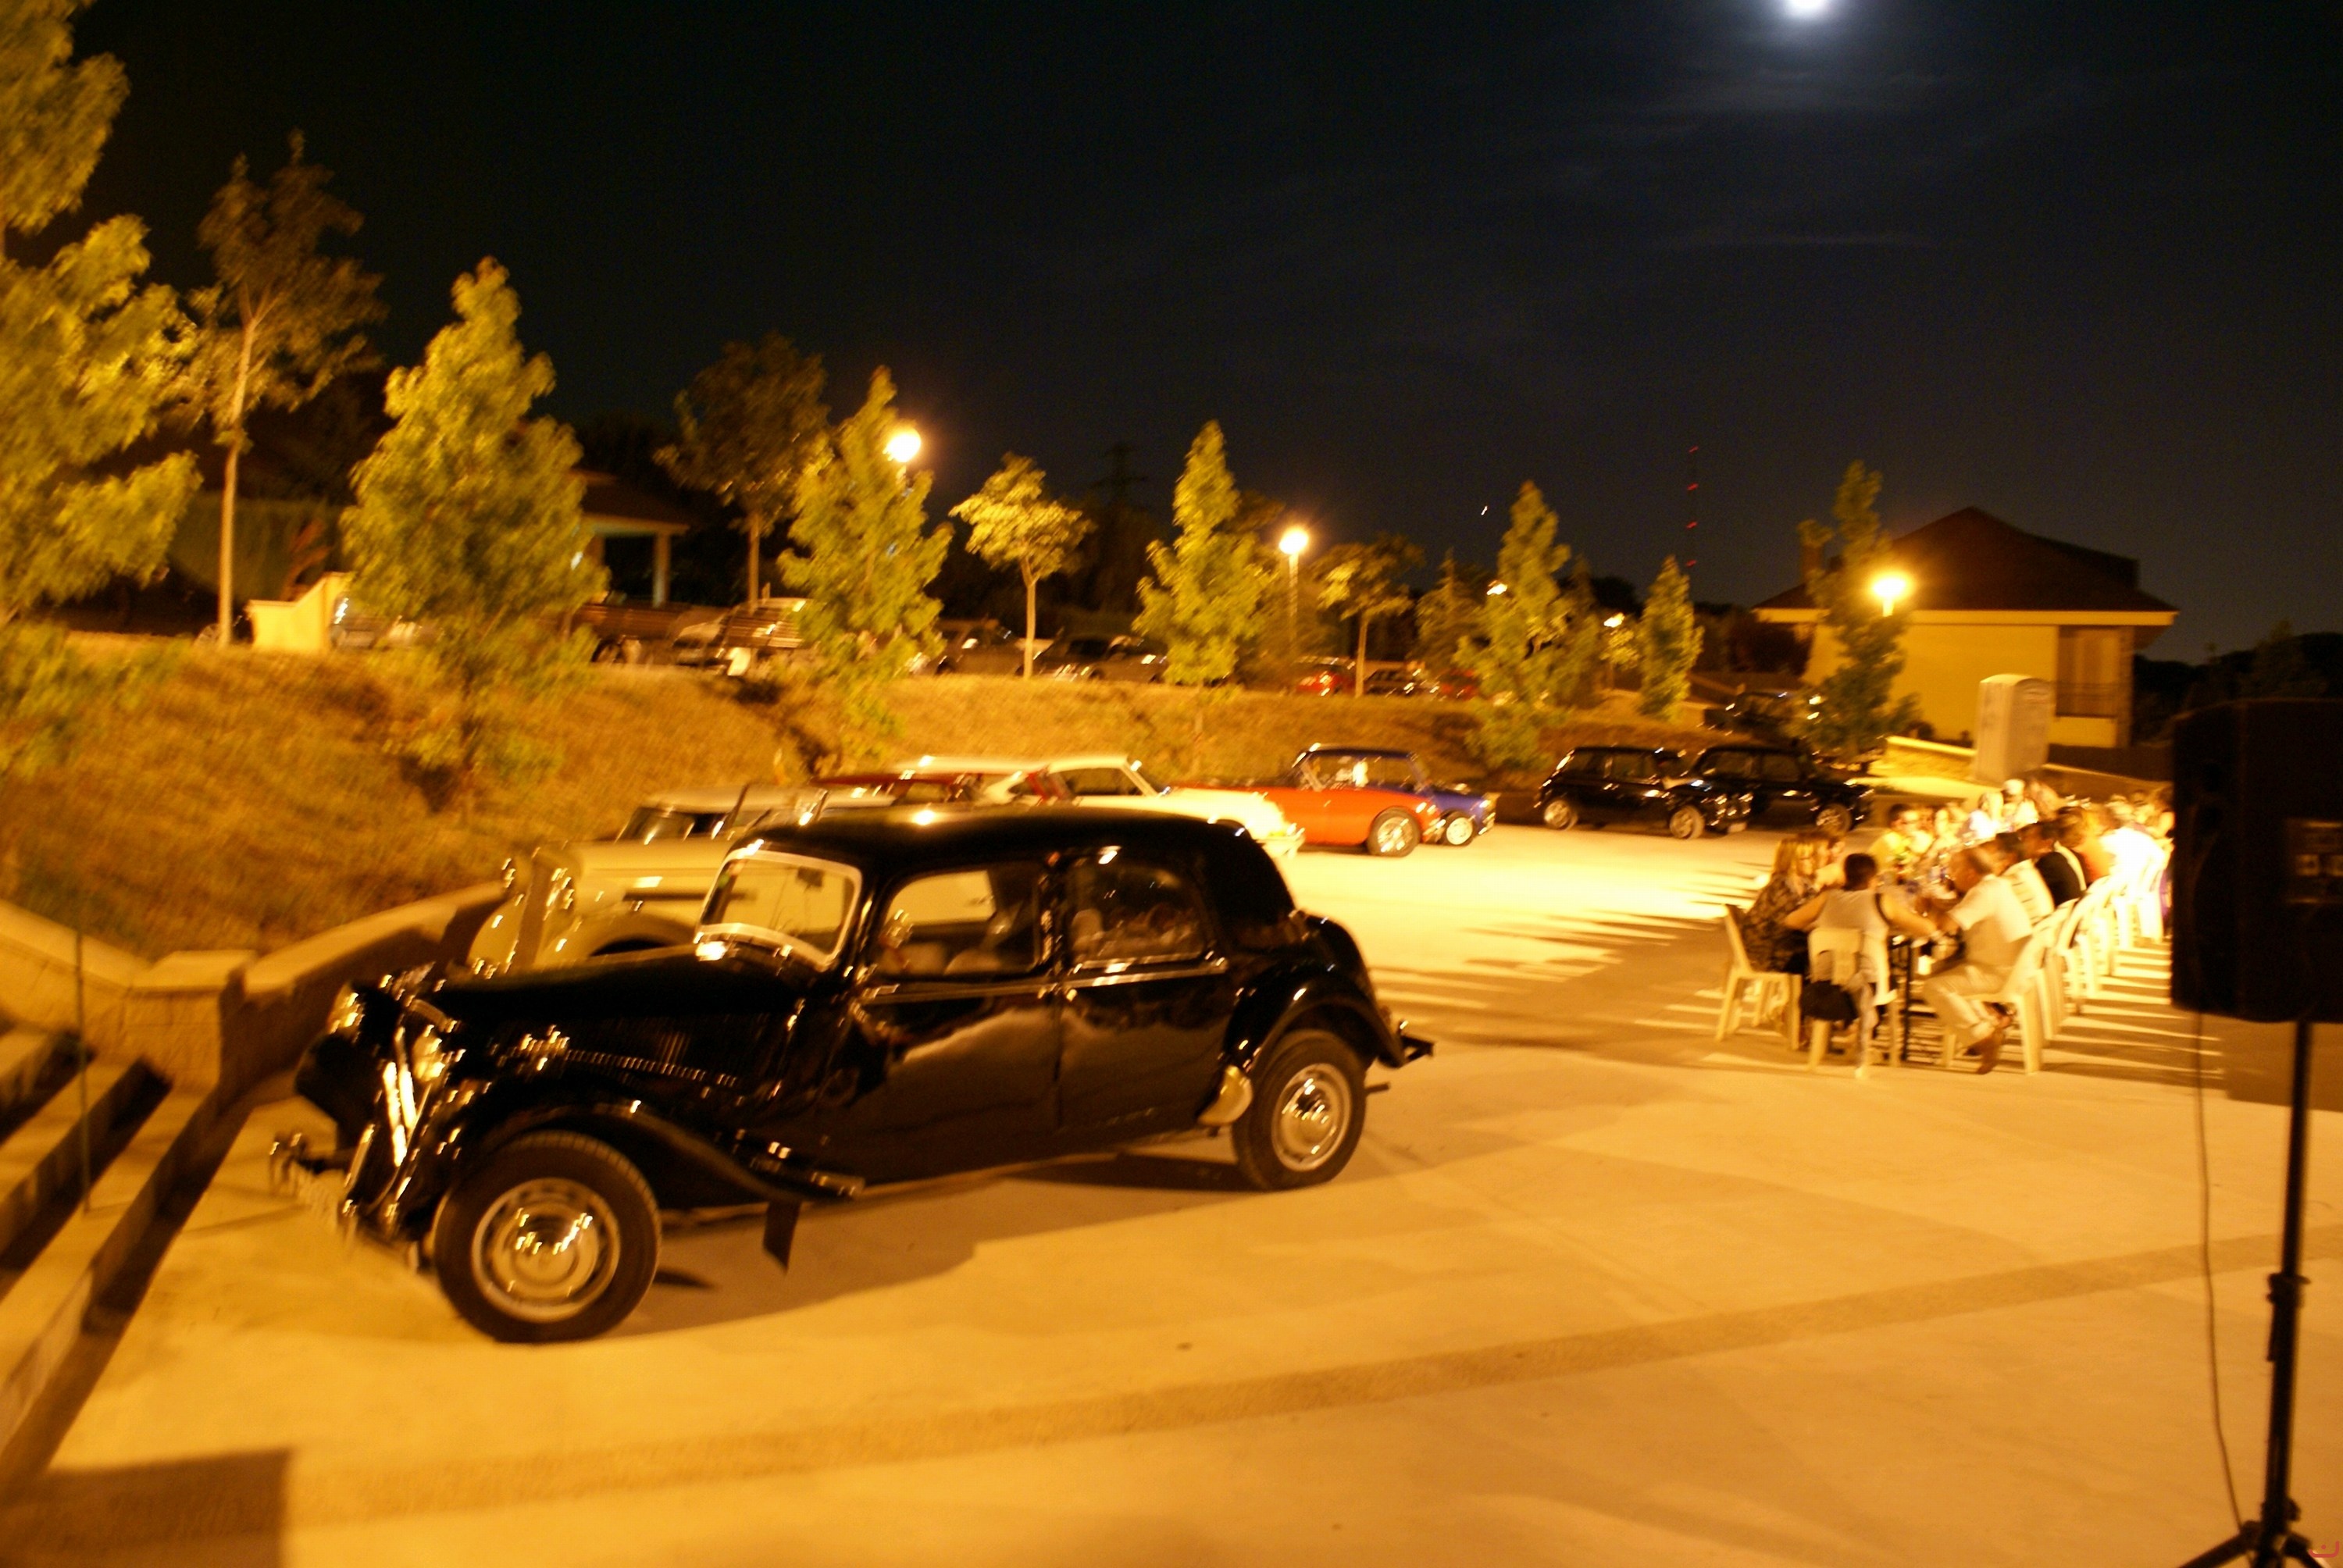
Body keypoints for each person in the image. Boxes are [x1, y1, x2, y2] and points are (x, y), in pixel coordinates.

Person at [1917, 847, 2035, 1072]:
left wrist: (1928, 911)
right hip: (2013, 966)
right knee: (1942, 970)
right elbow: (1962, 910)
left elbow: (1947, 925)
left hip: (2000, 973)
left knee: (1935, 987)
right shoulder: (1996, 885)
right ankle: (1987, 1026)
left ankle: (1983, 1039)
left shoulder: (1983, 893)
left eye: (1954, 871)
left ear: (1970, 873)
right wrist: (1938, 905)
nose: (1951, 877)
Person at [1744, 835, 1822, 975]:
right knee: (1821, 953)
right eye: (1807, 858)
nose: (1813, 861)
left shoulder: (1804, 883)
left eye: (1812, 856)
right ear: (1792, 861)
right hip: (1769, 950)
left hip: (1786, 941)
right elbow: (1792, 923)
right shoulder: (1780, 885)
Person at [1987, 832, 2055, 925]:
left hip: (2033, 930)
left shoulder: (2010, 881)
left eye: (1991, 854)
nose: (1986, 861)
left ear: (2011, 856)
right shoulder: (2028, 871)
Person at [2021, 820, 2083, 906]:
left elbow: (2026, 890)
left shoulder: (2048, 864)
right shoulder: (2057, 857)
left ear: (2046, 843)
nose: (2023, 842)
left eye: (2029, 838)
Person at [1870, 805, 1934, 882]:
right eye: (1913, 822)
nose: (1918, 825)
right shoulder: (1890, 840)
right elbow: (1905, 869)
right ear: (1897, 824)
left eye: (1918, 821)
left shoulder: (1905, 838)